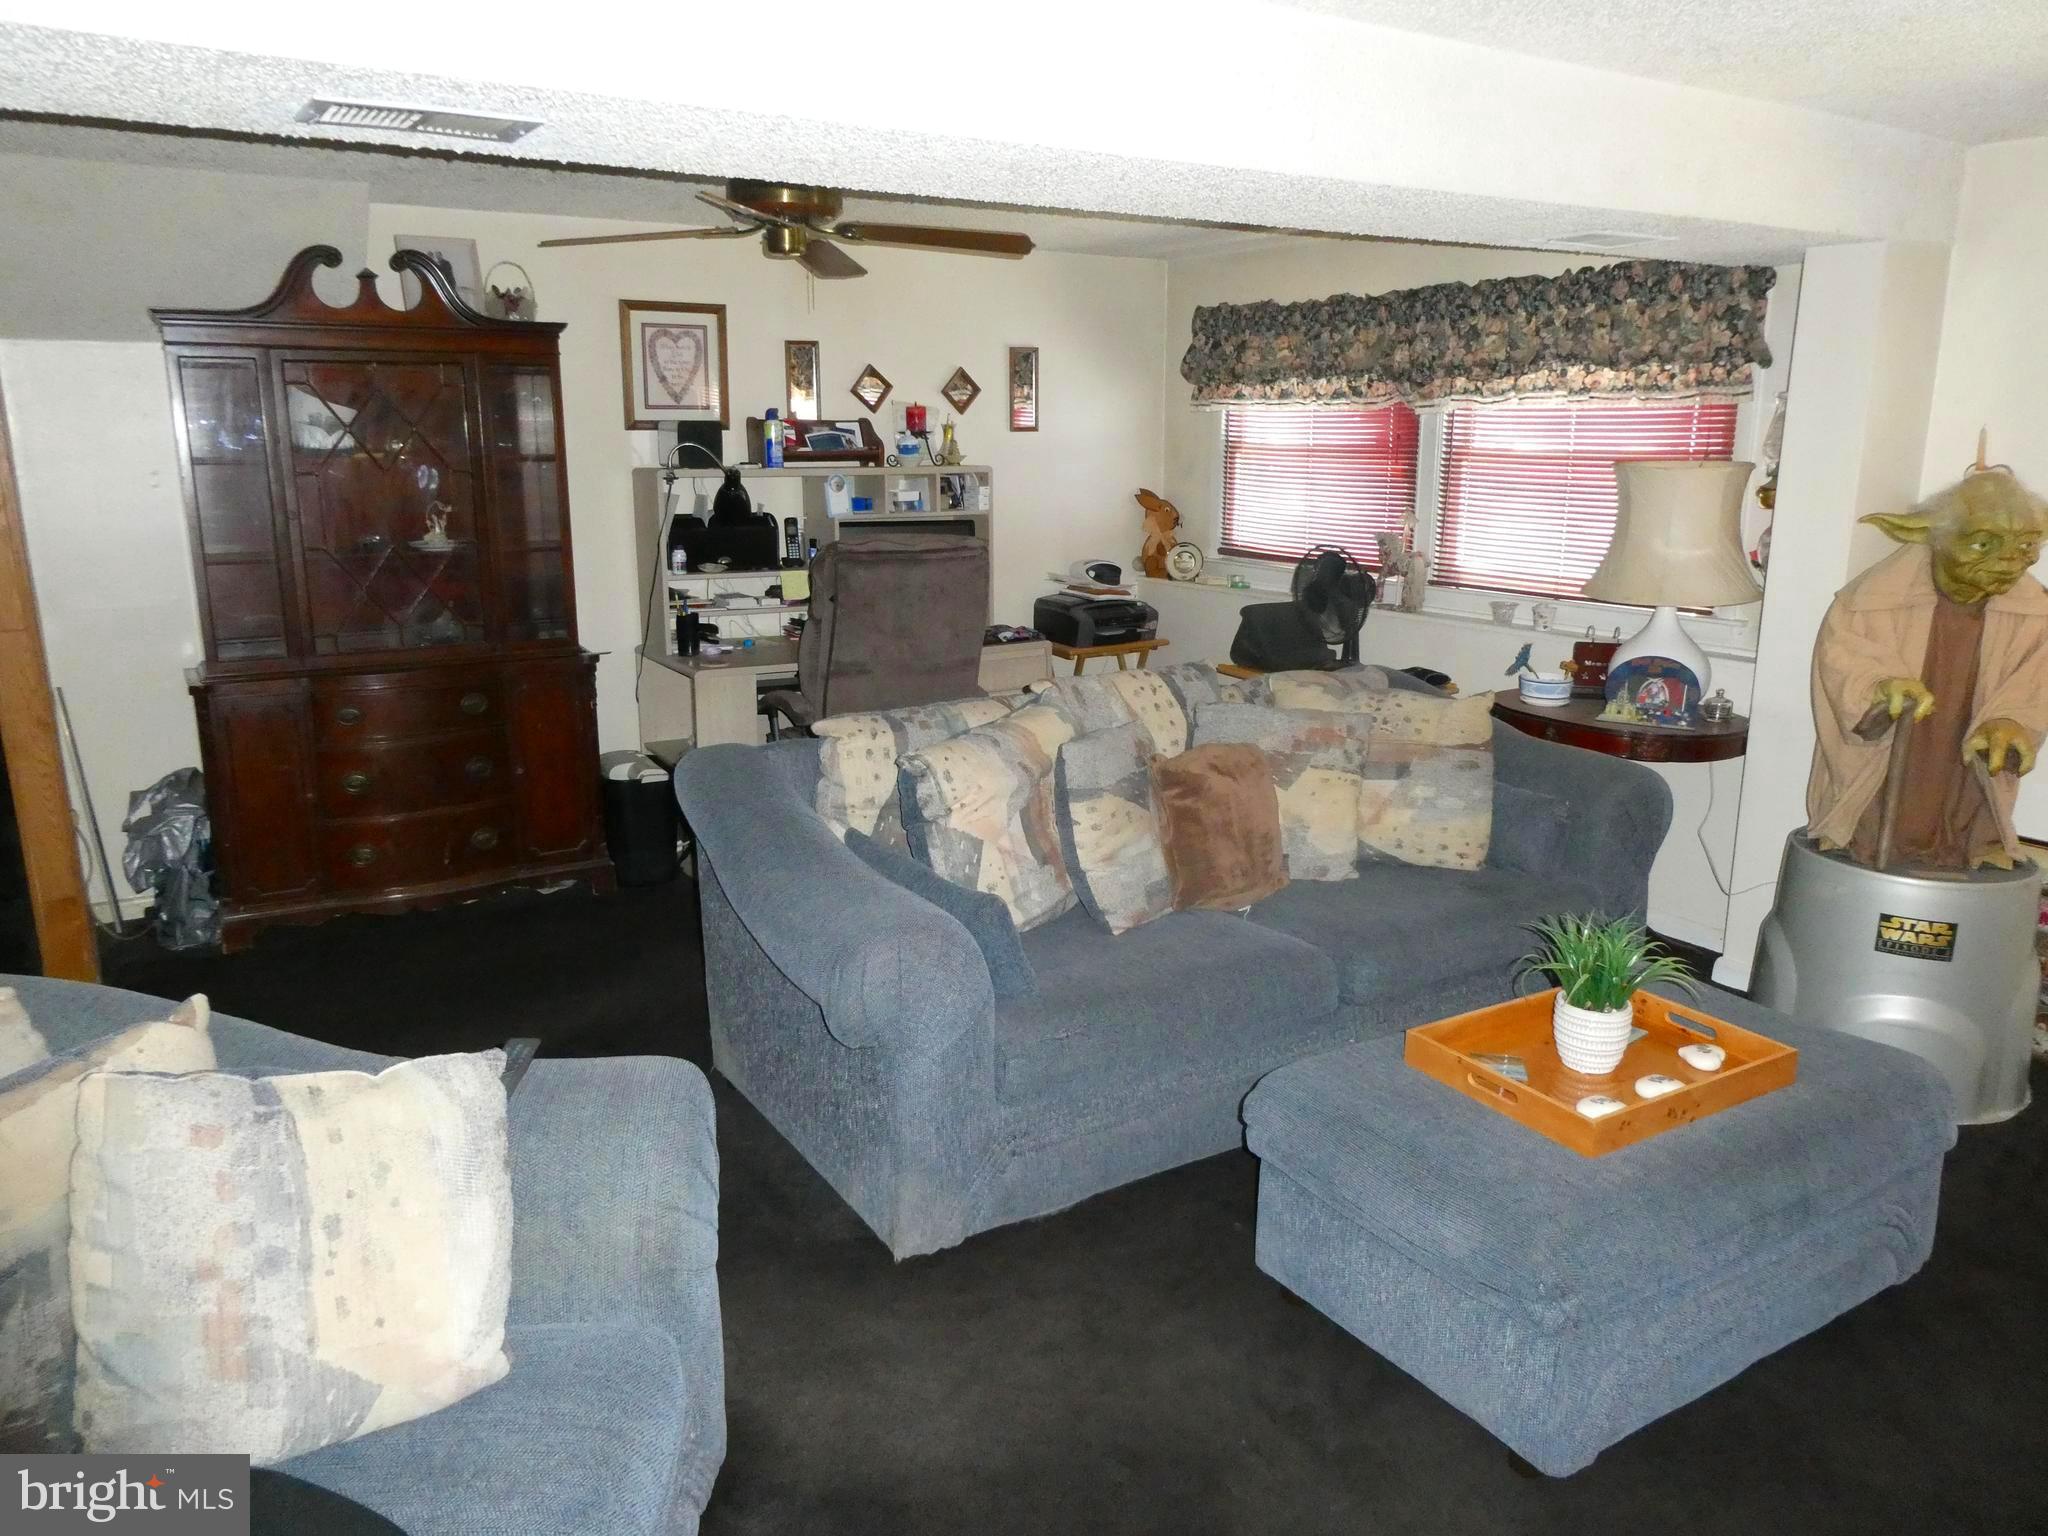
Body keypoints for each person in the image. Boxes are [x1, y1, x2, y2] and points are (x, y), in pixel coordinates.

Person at [1807, 469, 2048, 869]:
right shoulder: (1870, 599)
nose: (2009, 562)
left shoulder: (2035, 613)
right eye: (1983, 543)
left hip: (1964, 756)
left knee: (1970, 805)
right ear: (1934, 537)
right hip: (1900, 752)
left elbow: (2037, 680)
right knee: (1874, 816)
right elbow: (1844, 657)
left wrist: (2012, 720)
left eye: (2025, 547)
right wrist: (1880, 687)